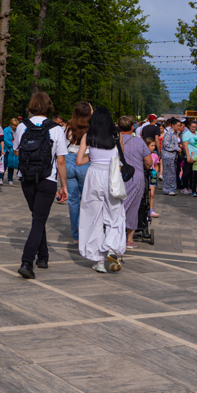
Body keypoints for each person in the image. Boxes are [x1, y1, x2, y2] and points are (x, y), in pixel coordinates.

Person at [14, 92, 68, 279]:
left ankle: (43, 256)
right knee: (39, 219)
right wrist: (64, 185)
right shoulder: (57, 129)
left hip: (26, 178)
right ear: (49, 106)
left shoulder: (22, 126)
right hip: (47, 179)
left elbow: (16, 151)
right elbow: (60, 160)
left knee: (38, 217)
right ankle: (27, 261)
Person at [77, 106, 125, 273]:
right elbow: (120, 157)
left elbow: (78, 161)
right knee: (115, 214)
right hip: (111, 176)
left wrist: (91, 157)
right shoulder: (115, 137)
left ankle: (98, 261)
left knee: (93, 217)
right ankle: (112, 248)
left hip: (93, 176)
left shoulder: (88, 136)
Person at [117, 116, 152, 249]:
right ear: (132, 127)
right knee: (133, 207)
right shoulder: (139, 142)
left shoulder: (113, 141)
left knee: (116, 205)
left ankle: (114, 234)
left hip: (117, 176)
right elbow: (149, 162)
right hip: (135, 178)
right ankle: (129, 239)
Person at [64, 102, 92, 243]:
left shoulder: (68, 127)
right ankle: (83, 230)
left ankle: (75, 235)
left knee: (73, 201)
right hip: (85, 161)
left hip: (69, 160)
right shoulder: (91, 128)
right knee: (85, 199)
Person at [161, 118, 181, 196]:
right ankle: (168, 189)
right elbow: (166, 145)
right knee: (169, 173)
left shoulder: (174, 133)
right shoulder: (169, 133)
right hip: (168, 156)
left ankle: (170, 189)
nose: (179, 127)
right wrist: (177, 148)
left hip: (172, 156)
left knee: (171, 173)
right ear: (173, 125)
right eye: (178, 125)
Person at [181, 120, 197, 194]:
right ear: (189, 126)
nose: (193, 128)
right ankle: (184, 187)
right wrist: (188, 156)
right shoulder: (186, 134)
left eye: (195, 127)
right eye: (192, 126)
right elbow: (185, 145)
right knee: (187, 172)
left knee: (194, 173)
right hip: (189, 155)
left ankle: (193, 187)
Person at [2, 118, 19, 185]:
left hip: (13, 150)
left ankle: (10, 179)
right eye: (14, 125)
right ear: (11, 124)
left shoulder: (17, 131)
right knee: (4, 163)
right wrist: (14, 145)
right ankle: (1, 178)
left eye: (16, 125)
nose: (15, 127)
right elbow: (5, 140)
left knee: (11, 164)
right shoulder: (6, 130)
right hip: (6, 149)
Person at [146, 138, 160, 218]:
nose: (154, 147)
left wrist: (156, 173)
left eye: (154, 145)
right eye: (152, 145)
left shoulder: (155, 155)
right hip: (145, 175)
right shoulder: (144, 155)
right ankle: (146, 209)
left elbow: (157, 165)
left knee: (152, 194)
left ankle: (151, 210)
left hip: (152, 177)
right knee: (145, 194)